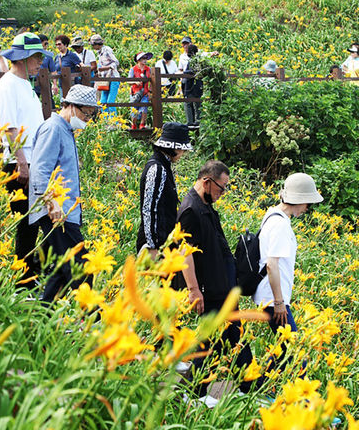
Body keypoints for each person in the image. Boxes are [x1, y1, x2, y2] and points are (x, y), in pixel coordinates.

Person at [177, 160, 259, 399]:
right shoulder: (191, 209)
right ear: (206, 182)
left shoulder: (205, 204)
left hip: (221, 286)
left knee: (233, 335)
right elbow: (185, 252)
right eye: (221, 188)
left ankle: (247, 385)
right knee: (212, 339)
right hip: (209, 289)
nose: (223, 193)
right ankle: (195, 390)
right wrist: (193, 290)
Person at [29, 84, 99, 302]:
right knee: (82, 270)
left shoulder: (65, 130)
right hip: (58, 213)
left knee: (60, 273)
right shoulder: (53, 128)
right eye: (86, 114)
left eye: (91, 115)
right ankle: (90, 324)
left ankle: (41, 316)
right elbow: (39, 169)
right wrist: (52, 203)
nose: (87, 119)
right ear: (70, 106)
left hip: (66, 212)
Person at [0, 33, 47, 290]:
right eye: (36, 57)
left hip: (33, 160)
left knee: (34, 221)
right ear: (24, 58)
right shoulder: (7, 84)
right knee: (26, 222)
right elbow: (10, 128)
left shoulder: (26, 83)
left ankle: (31, 274)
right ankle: (24, 281)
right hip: (19, 162)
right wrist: (22, 163)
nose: (40, 62)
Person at [254, 174, 323, 354]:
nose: (308, 209)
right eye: (308, 203)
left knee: (285, 351)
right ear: (300, 200)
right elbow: (271, 265)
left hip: (272, 296)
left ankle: (260, 380)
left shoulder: (273, 214)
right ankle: (259, 381)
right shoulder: (280, 224)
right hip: (273, 298)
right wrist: (279, 303)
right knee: (296, 353)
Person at [136, 122, 192, 256]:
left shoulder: (164, 166)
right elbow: (149, 209)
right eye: (182, 150)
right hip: (154, 246)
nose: (183, 153)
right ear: (174, 148)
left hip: (164, 241)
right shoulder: (157, 168)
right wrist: (152, 245)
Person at [89, 34, 120, 116]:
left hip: (113, 78)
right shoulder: (100, 53)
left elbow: (116, 62)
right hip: (105, 80)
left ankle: (115, 122)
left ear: (96, 44)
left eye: (93, 45)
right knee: (102, 102)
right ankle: (106, 122)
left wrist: (105, 68)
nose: (92, 47)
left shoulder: (106, 50)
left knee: (110, 102)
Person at [128, 52, 152, 129]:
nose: (145, 60)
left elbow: (152, 81)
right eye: (143, 59)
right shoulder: (133, 69)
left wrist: (150, 92)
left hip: (145, 92)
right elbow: (128, 81)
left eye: (146, 58)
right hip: (135, 93)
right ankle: (134, 125)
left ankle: (142, 125)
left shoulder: (149, 69)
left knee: (144, 107)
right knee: (134, 109)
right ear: (138, 60)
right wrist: (135, 82)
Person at [183, 44, 203, 129]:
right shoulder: (200, 60)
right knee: (197, 104)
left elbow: (191, 72)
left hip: (191, 86)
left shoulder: (192, 61)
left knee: (188, 103)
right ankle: (198, 120)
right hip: (199, 85)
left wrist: (184, 73)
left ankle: (190, 122)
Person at [35, 34, 58, 99]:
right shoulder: (31, 55)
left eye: (47, 44)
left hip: (45, 81)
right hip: (33, 81)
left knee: (50, 102)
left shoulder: (48, 56)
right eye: (45, 44)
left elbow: (53, 71)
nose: (46, 46)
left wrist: (55, 84)